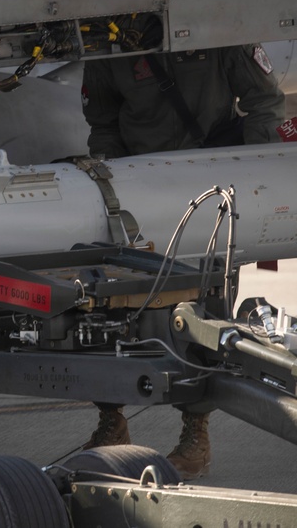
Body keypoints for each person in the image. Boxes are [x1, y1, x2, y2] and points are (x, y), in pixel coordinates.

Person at [80, 41, 286, 479]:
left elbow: (263, 101)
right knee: (117, 311)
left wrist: (258, 174)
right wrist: (116, 185)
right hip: (142, 192)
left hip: (211, 188)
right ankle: (111, 421)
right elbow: (102, 121)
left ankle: (196, 433)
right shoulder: (107, 41)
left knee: (203, 317)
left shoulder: (216, 30)